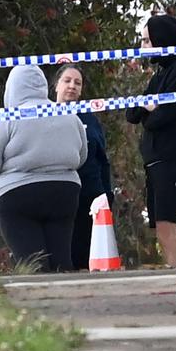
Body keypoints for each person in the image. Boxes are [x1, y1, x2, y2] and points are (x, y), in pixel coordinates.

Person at [0, 65, 87, 272]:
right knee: (61, 261)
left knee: (32, 263)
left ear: (11, 88)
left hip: (16, 197)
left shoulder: (7, 118)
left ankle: (37, 298)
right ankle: (69, 297)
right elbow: (81, 157)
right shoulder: (69, 116)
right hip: (64, 194)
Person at [126, 14, 176, 267]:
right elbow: (132, 113)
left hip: (173, 157)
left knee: (166, 225)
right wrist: (149, 108)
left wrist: (150, 112)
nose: (143, 47)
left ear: (163, 39)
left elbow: (163, 117)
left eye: (148, 41)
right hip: (156, 158)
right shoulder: (161, 74)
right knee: (169, 224)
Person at [53, 64, 113, 270]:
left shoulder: (90, 119)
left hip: (89, 196)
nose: (72, 86)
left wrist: (107, 193)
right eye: (67, 81)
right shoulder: (44, 115)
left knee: (86, 257)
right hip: (58, 194)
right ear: (56, 86)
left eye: (77, 83)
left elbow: (102, 158)